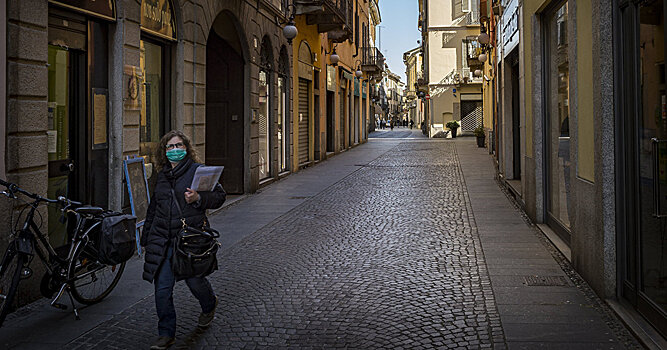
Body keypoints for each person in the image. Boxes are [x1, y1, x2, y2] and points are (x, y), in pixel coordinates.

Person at [141, 130, 226, 349]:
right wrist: (146, 237)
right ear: (164, 151)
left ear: (187, 148)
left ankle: (209, 304)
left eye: (179, 145)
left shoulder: (199, 171)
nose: (175, 150)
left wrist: (199, 198)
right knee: (162, 289)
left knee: (195, 282)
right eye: (170, 147)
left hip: (188, 240)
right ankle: (166, 333)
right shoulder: (160, 176)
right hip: (163, 240)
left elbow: (219, 197)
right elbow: (154, 208)